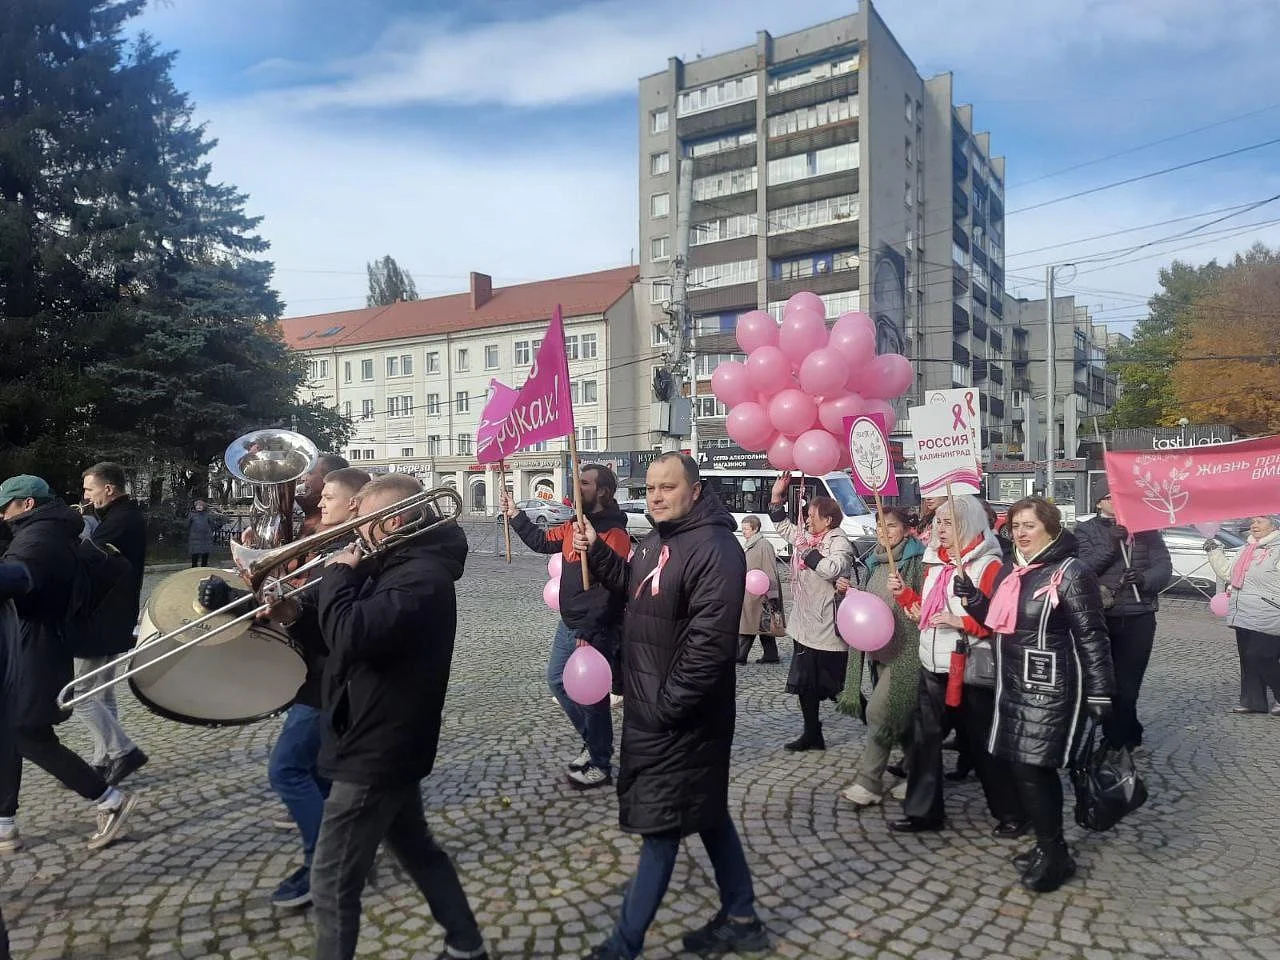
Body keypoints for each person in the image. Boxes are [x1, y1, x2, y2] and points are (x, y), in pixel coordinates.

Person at [573, 453, 767, 960]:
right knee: (707, 813)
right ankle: (742, 916)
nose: (656, 496)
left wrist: (663, 708)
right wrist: (596, 552)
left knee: (660, 826)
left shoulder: (717, 548)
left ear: (696, 491)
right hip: (653, 707)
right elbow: (634, 586)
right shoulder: (659, 539)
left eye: (668, 487)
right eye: (652, 488)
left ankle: (623, 945)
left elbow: (708, 647)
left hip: (682, 718)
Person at [309, 473, 487, 960]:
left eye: (364, 521)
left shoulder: (421, 579)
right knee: (418, 850)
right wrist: (289, 612)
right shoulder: (394, 566)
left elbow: (350, 634)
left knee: (330, 884)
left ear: (394, 522)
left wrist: (338, 576)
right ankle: (467, 945)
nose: (356, 532)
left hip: (377, 747)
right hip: (382, 734)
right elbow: (338, 633)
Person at [199, 467, 371, 909]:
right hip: (315, 670)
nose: (320, 502)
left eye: (329, 496)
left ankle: (325, 865)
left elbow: (318, 614)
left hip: (329, 677)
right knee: (319, 773)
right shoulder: (324, 539)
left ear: (354, 504)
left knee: (287, 770)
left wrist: (283, 605)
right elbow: (302, 608)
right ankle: (349, 855)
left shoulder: (349, 550)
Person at [974, 496, 1113, 892]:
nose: (1021, 533)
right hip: (1014, 683)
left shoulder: (1071, 572)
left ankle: (1055, 854)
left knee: (1034, 768)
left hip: (1051, 687)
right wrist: (974, 601)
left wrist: (1101, 692)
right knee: (1023, 767)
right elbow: (1002, 622)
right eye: (1016, 526)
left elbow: (1092, 635)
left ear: (1050, 527)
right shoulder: (1013, 571)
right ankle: (1049, 846)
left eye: (1029, 525)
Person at [0, 475, 138, 852]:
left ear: (26, 504)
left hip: (37, 644)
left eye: (5, 507)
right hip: (34, 640)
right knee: (13, 731)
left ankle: (110, 800)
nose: (1, 515)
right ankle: (5, 823)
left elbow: (21, 578)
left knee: (27, 733)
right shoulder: (48, 529)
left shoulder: (38, 538)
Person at [886, 495, 1020, 836]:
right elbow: (925, 613)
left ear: (968, 524)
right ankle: (923, 813)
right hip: (932, 665)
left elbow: (1001, 621)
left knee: (982, 745)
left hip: (971, 667)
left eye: (948, 523)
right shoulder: (935, 563)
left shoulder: (988, 566)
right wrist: (904, 596)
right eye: (938, 522)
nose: (939, 529)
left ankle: (1013, 813)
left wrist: (962, 623)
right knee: (923, 742)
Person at [502, 465, 630, 789]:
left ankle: (600, 762)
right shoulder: (574, 524)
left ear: (603, 492)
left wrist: (589, 632)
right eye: (577, 481)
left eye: (585, 483)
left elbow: (613, 587)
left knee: (593, 697)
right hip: (569, 622)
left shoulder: (614, 533)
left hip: (595, 627)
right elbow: (542, 541)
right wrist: (516, 514)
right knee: (558, 682)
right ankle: (593, 742)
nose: (577, 487)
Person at [837, 507, 924, 806]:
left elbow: (925, 605)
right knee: (905, 721)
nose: (884, 532)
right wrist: (851, 593)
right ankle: (920, 774)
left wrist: (907, 592)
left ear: (906, 529)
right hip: (882, 653)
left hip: (909, 652)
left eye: (891, 526)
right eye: (879, 526)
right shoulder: (875, 561)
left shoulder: (918, 560)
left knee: (879, 712)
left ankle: (869, 783)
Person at [1075, 483, 1172, 749]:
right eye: (1110, 497)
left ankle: (1120, 738)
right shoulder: (1085, 530)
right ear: (1098, 504)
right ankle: (1119, 737)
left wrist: (1144, 578)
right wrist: (1112, 542)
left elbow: (1164, 567)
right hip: (1102, 616)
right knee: (1106, 683)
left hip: (1139, 617)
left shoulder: (1146, 529)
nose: (1116, 502)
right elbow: (1085, 568)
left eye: (1120, 496)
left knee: (1128, 687)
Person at [767, 471, 853, 752]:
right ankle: (812, 733)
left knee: (837, 690)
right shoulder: (808, 537)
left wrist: (806, 553)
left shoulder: (838, 541)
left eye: (812, 515)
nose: (806, 519)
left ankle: (883, 725)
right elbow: (783, 527)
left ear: (827, 520)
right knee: (805, 686)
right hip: (804, 626)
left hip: (828, 629)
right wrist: (776, 497)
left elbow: (832, 568)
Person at [78, 462, 149, 785]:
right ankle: (102, 760)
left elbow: (84, 558)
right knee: (102, 693)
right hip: (114, 616)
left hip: (101, 618)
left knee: (80, 694)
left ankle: (122, 751)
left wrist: (71, 529)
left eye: (89, 490)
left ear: (108, 489)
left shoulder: (120, 520)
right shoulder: (123, 516)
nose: (86, 497)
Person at [1206, 516, 1280, 715]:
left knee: (1262, 656)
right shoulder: (1246, 549)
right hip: (1244, 611)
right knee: (1248, 659)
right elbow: (1228, 573)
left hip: (1270, 613)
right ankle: (1253, 701)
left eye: (1260, 521)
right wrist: (1213, 551)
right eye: (1253, 521)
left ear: (1274, 525)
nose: (1254, 525)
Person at [737, 515, 782, 665]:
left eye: (746, 529)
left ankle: (740, 655)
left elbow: (770, 570)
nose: (743, 532)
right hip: (752, 592)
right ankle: (771, 655)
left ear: (755, 529)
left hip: (761, 593)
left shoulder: (763, 545)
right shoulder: (752, 544)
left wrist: (772, 595)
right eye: (742, 529)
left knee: (749, 625)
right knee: (762, 626)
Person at [187, 499, 219, 567]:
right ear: (195, 506)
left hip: (206, 538)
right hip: (195, 538)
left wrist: (211, 532)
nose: (199, 507)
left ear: (203, 507)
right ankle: (194, 569)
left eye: (200, 505)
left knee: (205, 555)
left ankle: (204, 568)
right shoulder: (192, 515)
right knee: (195, 555)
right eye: (197, 505)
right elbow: (188, 524)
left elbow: (212, 525)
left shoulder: (207, 515)